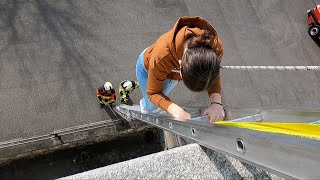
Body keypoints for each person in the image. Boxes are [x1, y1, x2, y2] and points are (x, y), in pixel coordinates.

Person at [135, 16, 224, 123]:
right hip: (148, 68)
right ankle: (145, 107)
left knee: (161, 100)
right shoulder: (162, 55)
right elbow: (153, 93)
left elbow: (212, 73)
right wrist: (176, 110)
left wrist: (216, 103)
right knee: (151, 106)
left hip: (170, 73)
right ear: (180, 65)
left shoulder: (216, 48)